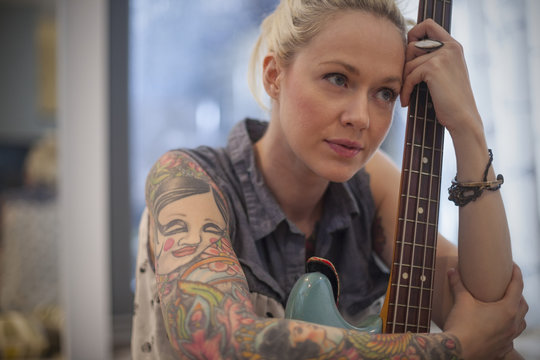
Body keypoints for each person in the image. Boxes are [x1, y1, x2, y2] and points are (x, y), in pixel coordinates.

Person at [131, 0, 528, 358]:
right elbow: (219, 338)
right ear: (274, 76)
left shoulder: (374, 184)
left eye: (385, 93)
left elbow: (489, 309)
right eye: (338, 79)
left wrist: (468, 129)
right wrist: (454, 349)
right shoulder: (187, 180)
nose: (362, 117)